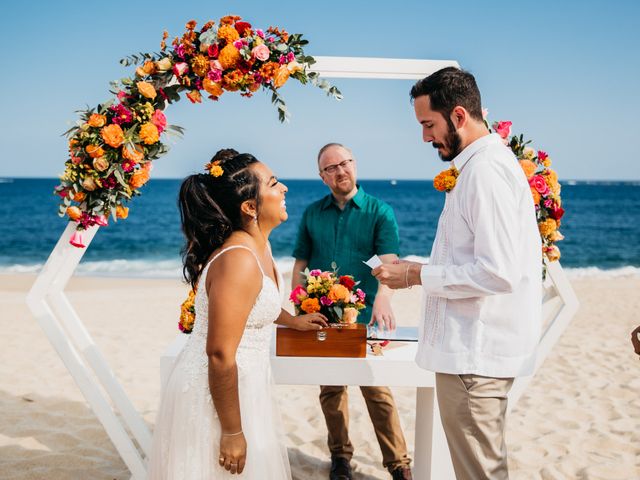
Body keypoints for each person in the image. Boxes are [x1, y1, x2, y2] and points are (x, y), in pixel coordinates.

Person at [373, 67, 542, 480]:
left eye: (429, 124)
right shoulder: (480, 167)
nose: (425, 137)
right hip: (472, 357)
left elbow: (498, 272)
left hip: (475, 358)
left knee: (480, 474)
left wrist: (415, 276)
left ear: (460, 115)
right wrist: (415, 266)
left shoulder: (484, 172)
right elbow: (472, 258)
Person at [147, 150, 328, 479]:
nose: (284, 188)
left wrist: (292, 320)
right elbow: (218, 353)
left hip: (246, 383)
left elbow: (256, 303)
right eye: (273, 184)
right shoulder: (239, 259)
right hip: (216, 391)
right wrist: (231, 432)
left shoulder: (260, 245)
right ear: (249, 207)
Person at [291, 143, 413, 480]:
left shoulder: (379, 212)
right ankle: (340, 459)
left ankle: (399, 464)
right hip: (323, 318)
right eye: (331, 168)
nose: (339, 171)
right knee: (331, 390)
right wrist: (298, 303)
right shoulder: (312, 213)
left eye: (344, 163)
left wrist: (385, 296)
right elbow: (301, 260)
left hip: (367, 317)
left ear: (354, 165)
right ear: (322, 177)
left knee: (377, 390)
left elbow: (388, 262)